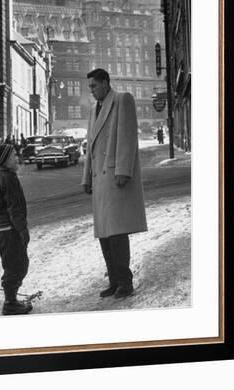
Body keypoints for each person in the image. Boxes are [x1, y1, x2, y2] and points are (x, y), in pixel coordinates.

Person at [82, 68, 147, 299]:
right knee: (104, 234)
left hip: (115, 176)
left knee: (117, 232)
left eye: (94, 86)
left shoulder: (122, 99)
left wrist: (123, 171)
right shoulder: (93, 109)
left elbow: (128, 136)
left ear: (106, 83)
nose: (91, 91)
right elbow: (90, 145)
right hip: (100, 180)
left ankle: (125, 282)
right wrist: (86, 176)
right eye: (90, 87)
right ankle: (113, 281)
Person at [0, 144, 32, 315]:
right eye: (14, 155)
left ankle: (12, 299)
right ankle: (10, 303)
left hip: (5, 231)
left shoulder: (1, 176)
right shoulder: (9, 178)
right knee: (18, 265)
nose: (17, 158)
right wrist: (23, 231)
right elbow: (14, 209)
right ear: (6, 160)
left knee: (12, 264)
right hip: (11, 230)